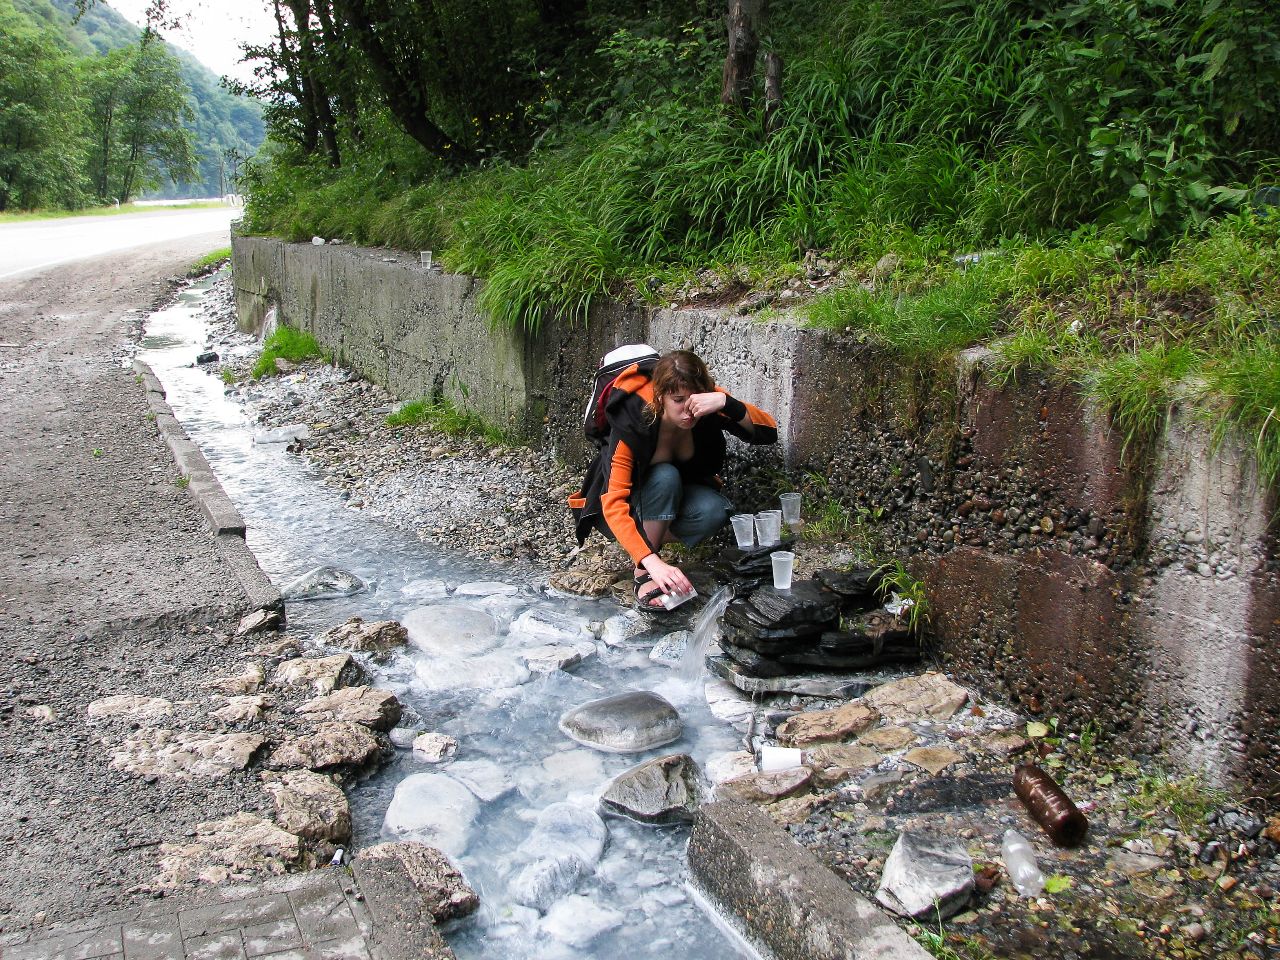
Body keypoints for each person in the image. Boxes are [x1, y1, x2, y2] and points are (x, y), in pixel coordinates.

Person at [570, 349, 778, 610]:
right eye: (678, 400)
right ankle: (643, 571)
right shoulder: (633, 422)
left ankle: (644, 540)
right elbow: (613, 503)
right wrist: (651, 562)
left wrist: (727, 404)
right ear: (660, 397)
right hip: (620, 511)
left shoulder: (704, 405)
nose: (689, 409)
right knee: (665, 475)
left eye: (694, 400)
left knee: (715, 510)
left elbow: (769, 431)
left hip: (665, 503)